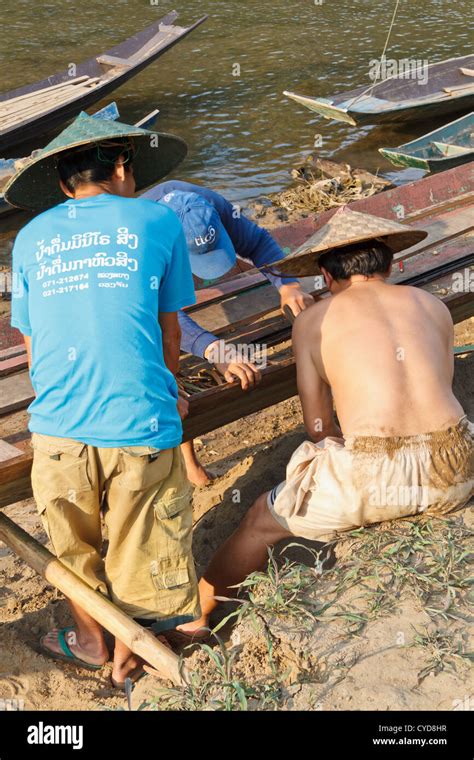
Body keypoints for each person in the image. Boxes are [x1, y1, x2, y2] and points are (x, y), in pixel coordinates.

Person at [174, 206, 474, 638]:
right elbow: (438, 388)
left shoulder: (314, 321)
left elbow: (318, 426)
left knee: (260, 518)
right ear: (388, 264)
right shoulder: (432, 305)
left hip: (376, 475)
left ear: (325, 276)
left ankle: (198, 620)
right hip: (456, 464)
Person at [6, 113, 201, 688]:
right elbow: (170, 333)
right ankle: (129, 654)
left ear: (63, 183)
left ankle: (92, 640)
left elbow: (31, 338)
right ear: (121, 167)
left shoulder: (31, 236)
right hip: (138, 420)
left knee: (72, 544)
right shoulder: (157, 221)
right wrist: (171, 389)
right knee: (145, 533)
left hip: (57, 428)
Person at [142, 181, 315, 485]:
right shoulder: (144, 239)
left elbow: (258, 243)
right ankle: (188, 458)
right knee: (165, 357)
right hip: (138, 301)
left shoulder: (210, 205)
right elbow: (163, 314)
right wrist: (215, 351)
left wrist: (288, 286)